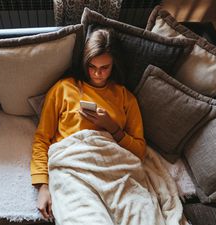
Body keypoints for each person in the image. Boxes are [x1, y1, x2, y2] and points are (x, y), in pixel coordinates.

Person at [30, 28, 146, 220]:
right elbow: (42, 138)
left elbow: (140, 151)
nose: (97, 74)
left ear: (114, 65)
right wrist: (43, 186)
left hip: (115, 169)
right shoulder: (64, 88)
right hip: (72, 166)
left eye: (104, 67)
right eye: (92, 66)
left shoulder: (126, 98)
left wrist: (112, 127)